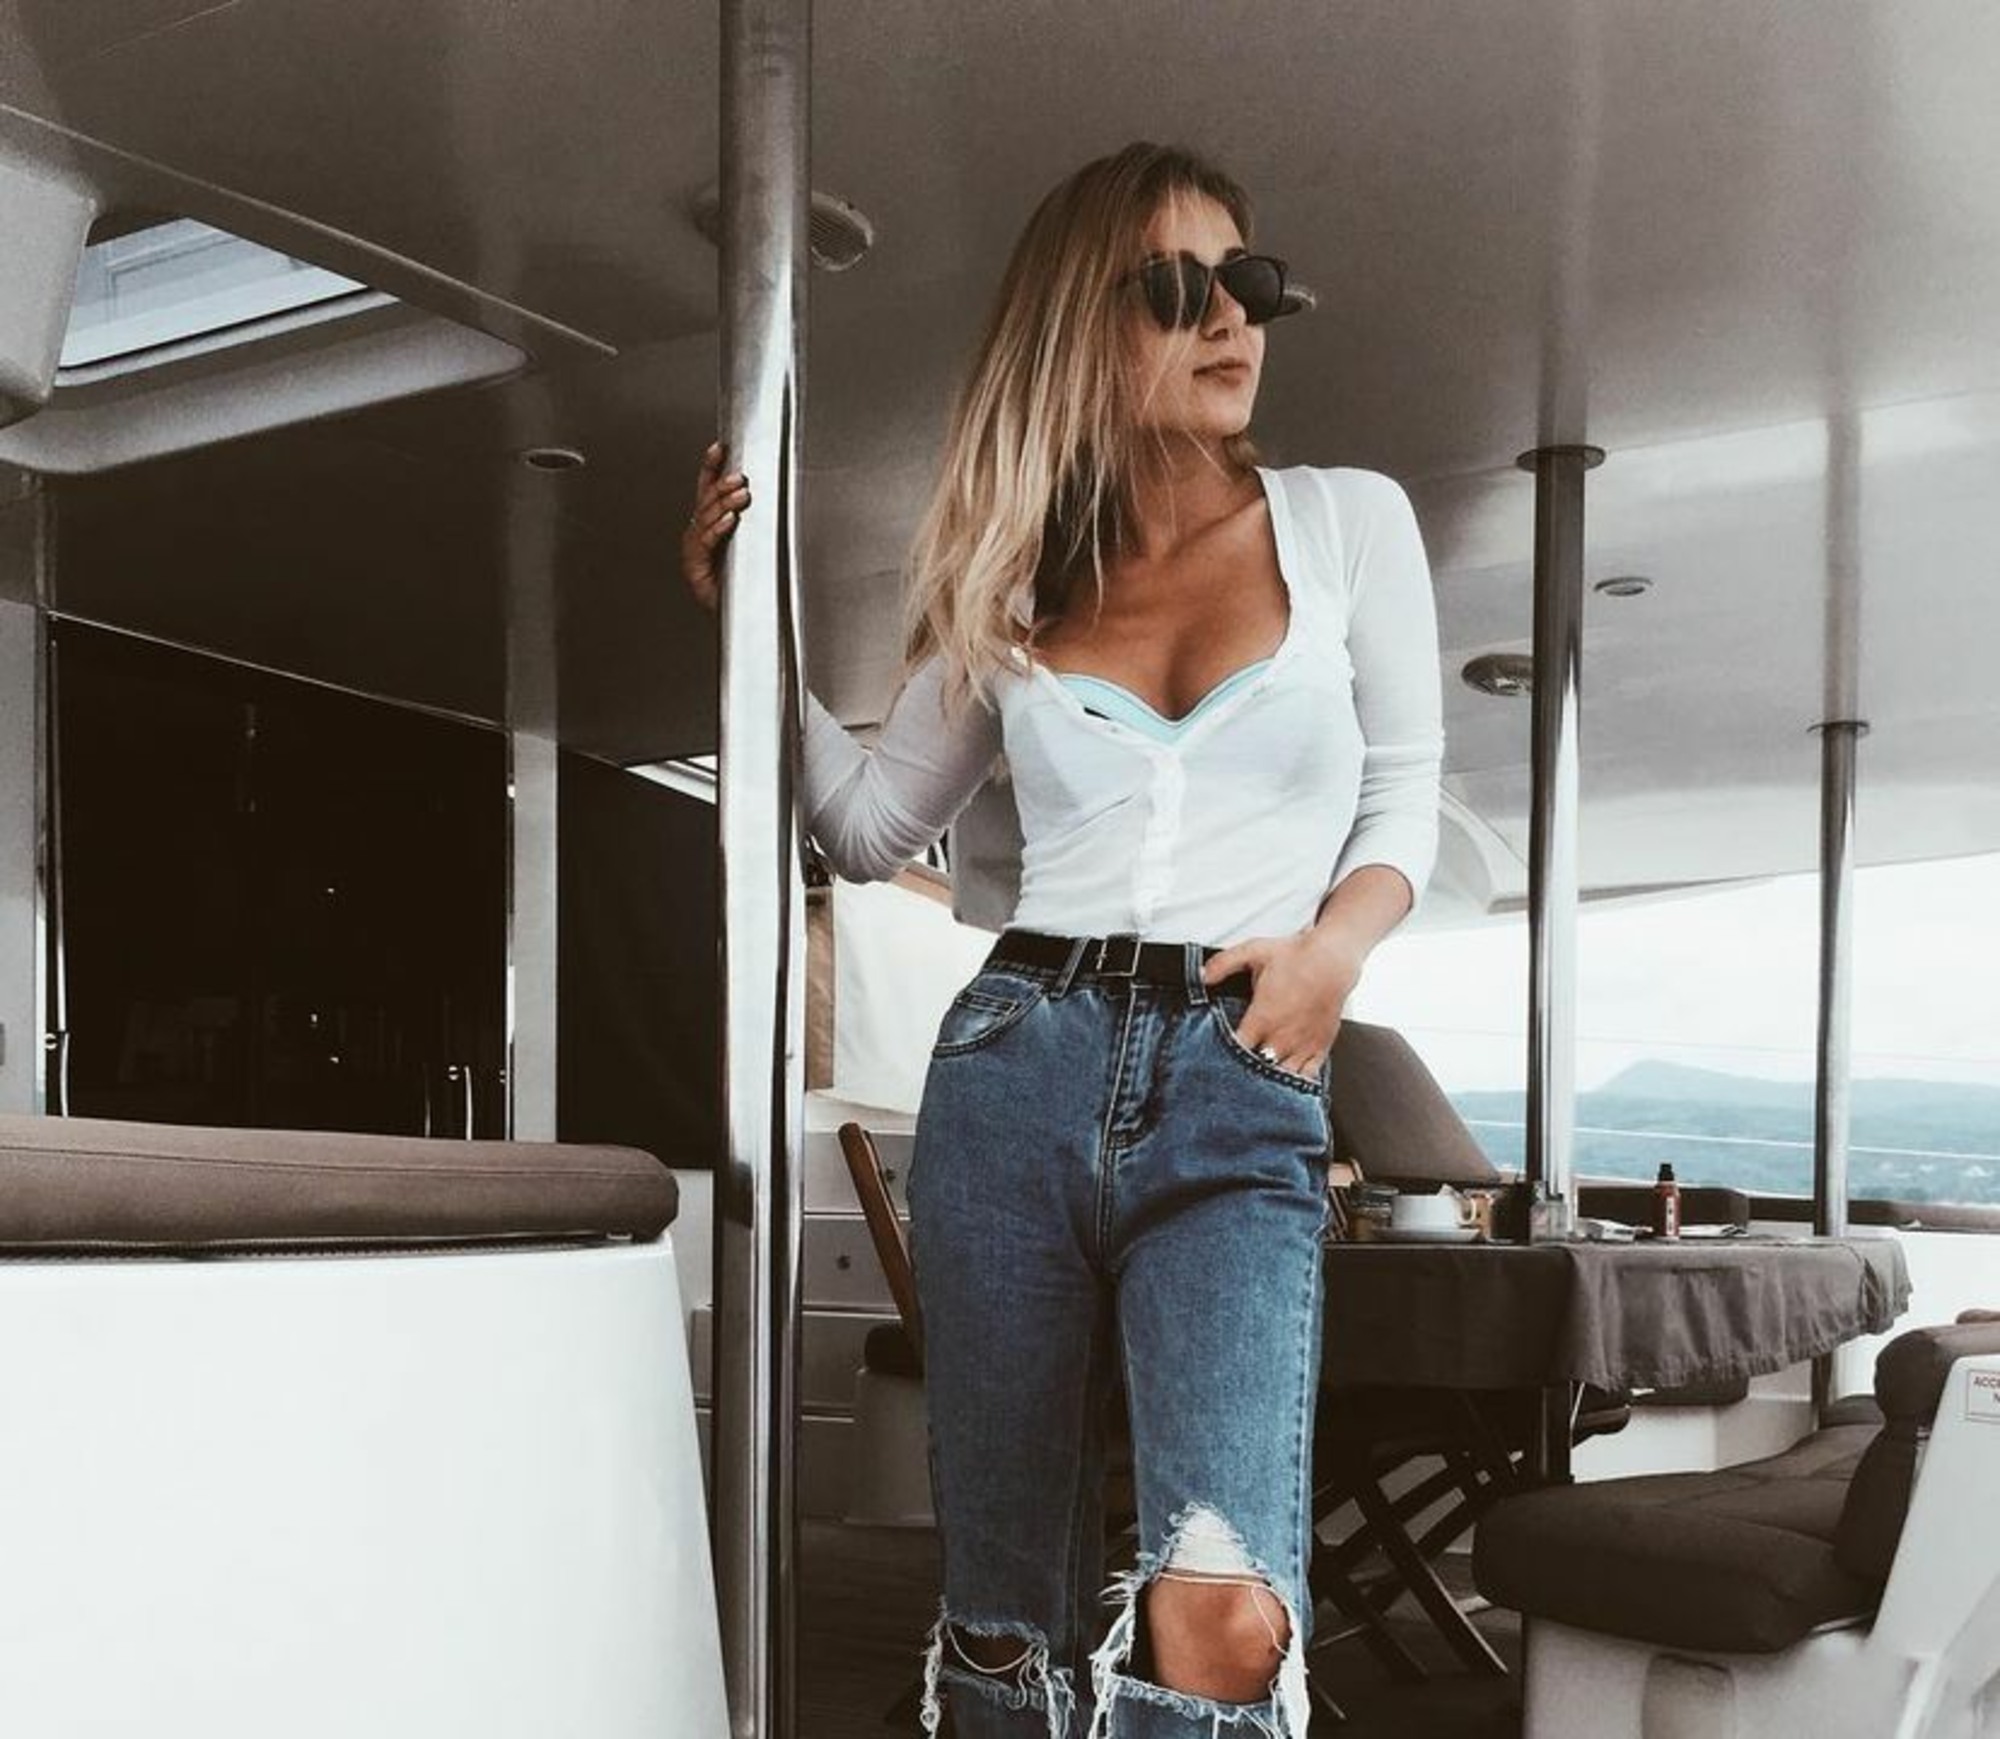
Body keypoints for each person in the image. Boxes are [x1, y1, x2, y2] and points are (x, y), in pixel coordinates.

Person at [683, 141, 1442, 1739]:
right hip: (1017, 1069)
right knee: (1002, 1609)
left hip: (1240, 1082)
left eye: (1250, 283)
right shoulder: (1014, 580)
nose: (1231, 320)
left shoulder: (1345, 524)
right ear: (1079, 326)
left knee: (1223, 1611)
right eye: (1177, 289)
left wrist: (1333, 955)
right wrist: (746, 631)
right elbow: (867, 829)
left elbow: (1402, 793)